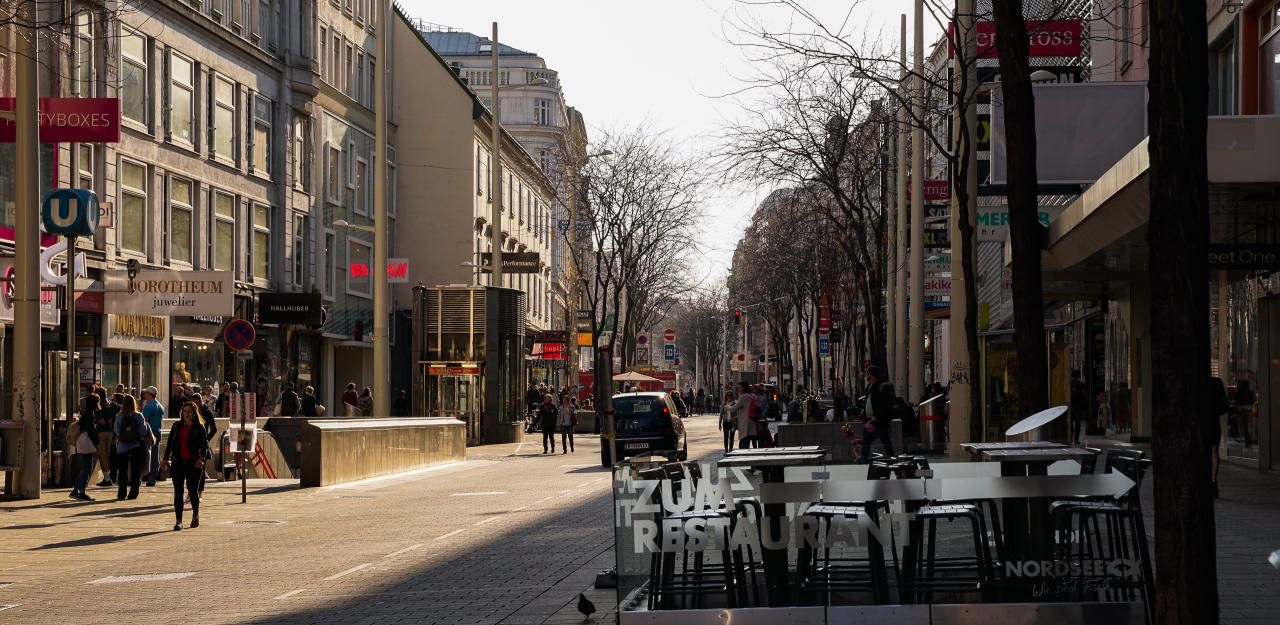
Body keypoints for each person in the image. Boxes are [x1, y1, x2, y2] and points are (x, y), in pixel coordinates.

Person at [160, 402, 211, 531]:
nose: (186, 414)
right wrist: (165, 459)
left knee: (193, 491)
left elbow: (204, 446)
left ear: (194, 413)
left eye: (189, 412)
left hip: (193, 463)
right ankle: (179, 521)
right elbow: (170, 444)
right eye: (184, 411)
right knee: (178, 492)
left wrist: (200, 459)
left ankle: (195, 516)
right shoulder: (176, 426)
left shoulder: (199, 427)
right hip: (178, 462)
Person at [114, 395, 148, 500]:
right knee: (135, 470)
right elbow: (143, 431)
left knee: (122, 470)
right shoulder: (138, 415)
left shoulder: (119, 416)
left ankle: (121, 493)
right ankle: (133, 492)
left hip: (122, 446)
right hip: (135, 445)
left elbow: (116, 430)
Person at [859, 366, 894, 460]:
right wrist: (864, 411)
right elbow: (868, 400)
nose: (865, 375)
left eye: (867, 373)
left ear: (871, 374)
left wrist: (877, 416)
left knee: (884, 438)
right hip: (869, 419)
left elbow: (883, 404)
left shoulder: (880, 386)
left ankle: (890, 456)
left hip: (879, 419)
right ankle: (864, 457)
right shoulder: (869, 386)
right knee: (866, 439)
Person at [70, 394, 101, 501]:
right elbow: (92, 431)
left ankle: (76, 490)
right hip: (87, 442)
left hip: (82, 441)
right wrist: (97, 443)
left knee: (86, 467)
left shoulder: (86, 413)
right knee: (87, 467)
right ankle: (81, 492)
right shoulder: (89, 414)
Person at [95, 392, 121, 487]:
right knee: (107, 455)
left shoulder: (99, 404)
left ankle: (107, 478)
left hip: (101, 431)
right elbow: (120, 408)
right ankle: (107, 477)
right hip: (110, 431)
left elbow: (101, 420)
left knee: (102, 455)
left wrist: (97, 420)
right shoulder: (111, 403)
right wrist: (112, 418)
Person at [141, 387, 165, 487]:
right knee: (155, 456)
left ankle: (147, 476)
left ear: (150, 394)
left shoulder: (148, 407)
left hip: (150, 433)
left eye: (146, 393)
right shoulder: (160, 406)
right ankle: (153, 477)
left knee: (147, 456)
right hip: (158, 432)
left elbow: (145, 422)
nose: (144, 395)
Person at [1209, 377, 1229, 498]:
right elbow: (1224, 406)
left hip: (1200, 423)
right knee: (1214, 451)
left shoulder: (1194, 381)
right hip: (1213, 421)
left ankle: (1209, 481)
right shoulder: (1216, 382)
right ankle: (1213, 481)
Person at [732, 382, 758, 449]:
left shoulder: (743, 396)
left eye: (739, 387)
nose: (738, 389)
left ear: (743, 388)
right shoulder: (753, 396)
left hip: (745, 423)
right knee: (754, 443)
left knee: (743, 445)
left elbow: (734, 408)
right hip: (753, 421)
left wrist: (726, 407)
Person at [1234, 379, 1256, 448]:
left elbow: (1236, 398)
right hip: (1248, 407)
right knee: (1249, 425)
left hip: (1240, 407)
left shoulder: (1238, 387)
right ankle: (1249, 440)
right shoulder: (1249, 387)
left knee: (1242, 424)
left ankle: (1243, 439)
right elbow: (1253, 398)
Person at [1069, 372, 1088, 445]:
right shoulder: (1081, 384)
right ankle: (1076, 439)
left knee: (1070, 423)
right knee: (1077, 423)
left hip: (1070, 405)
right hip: (1078, 406)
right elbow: (1084, 394)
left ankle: (1070, 438)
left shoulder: (1068, 383)